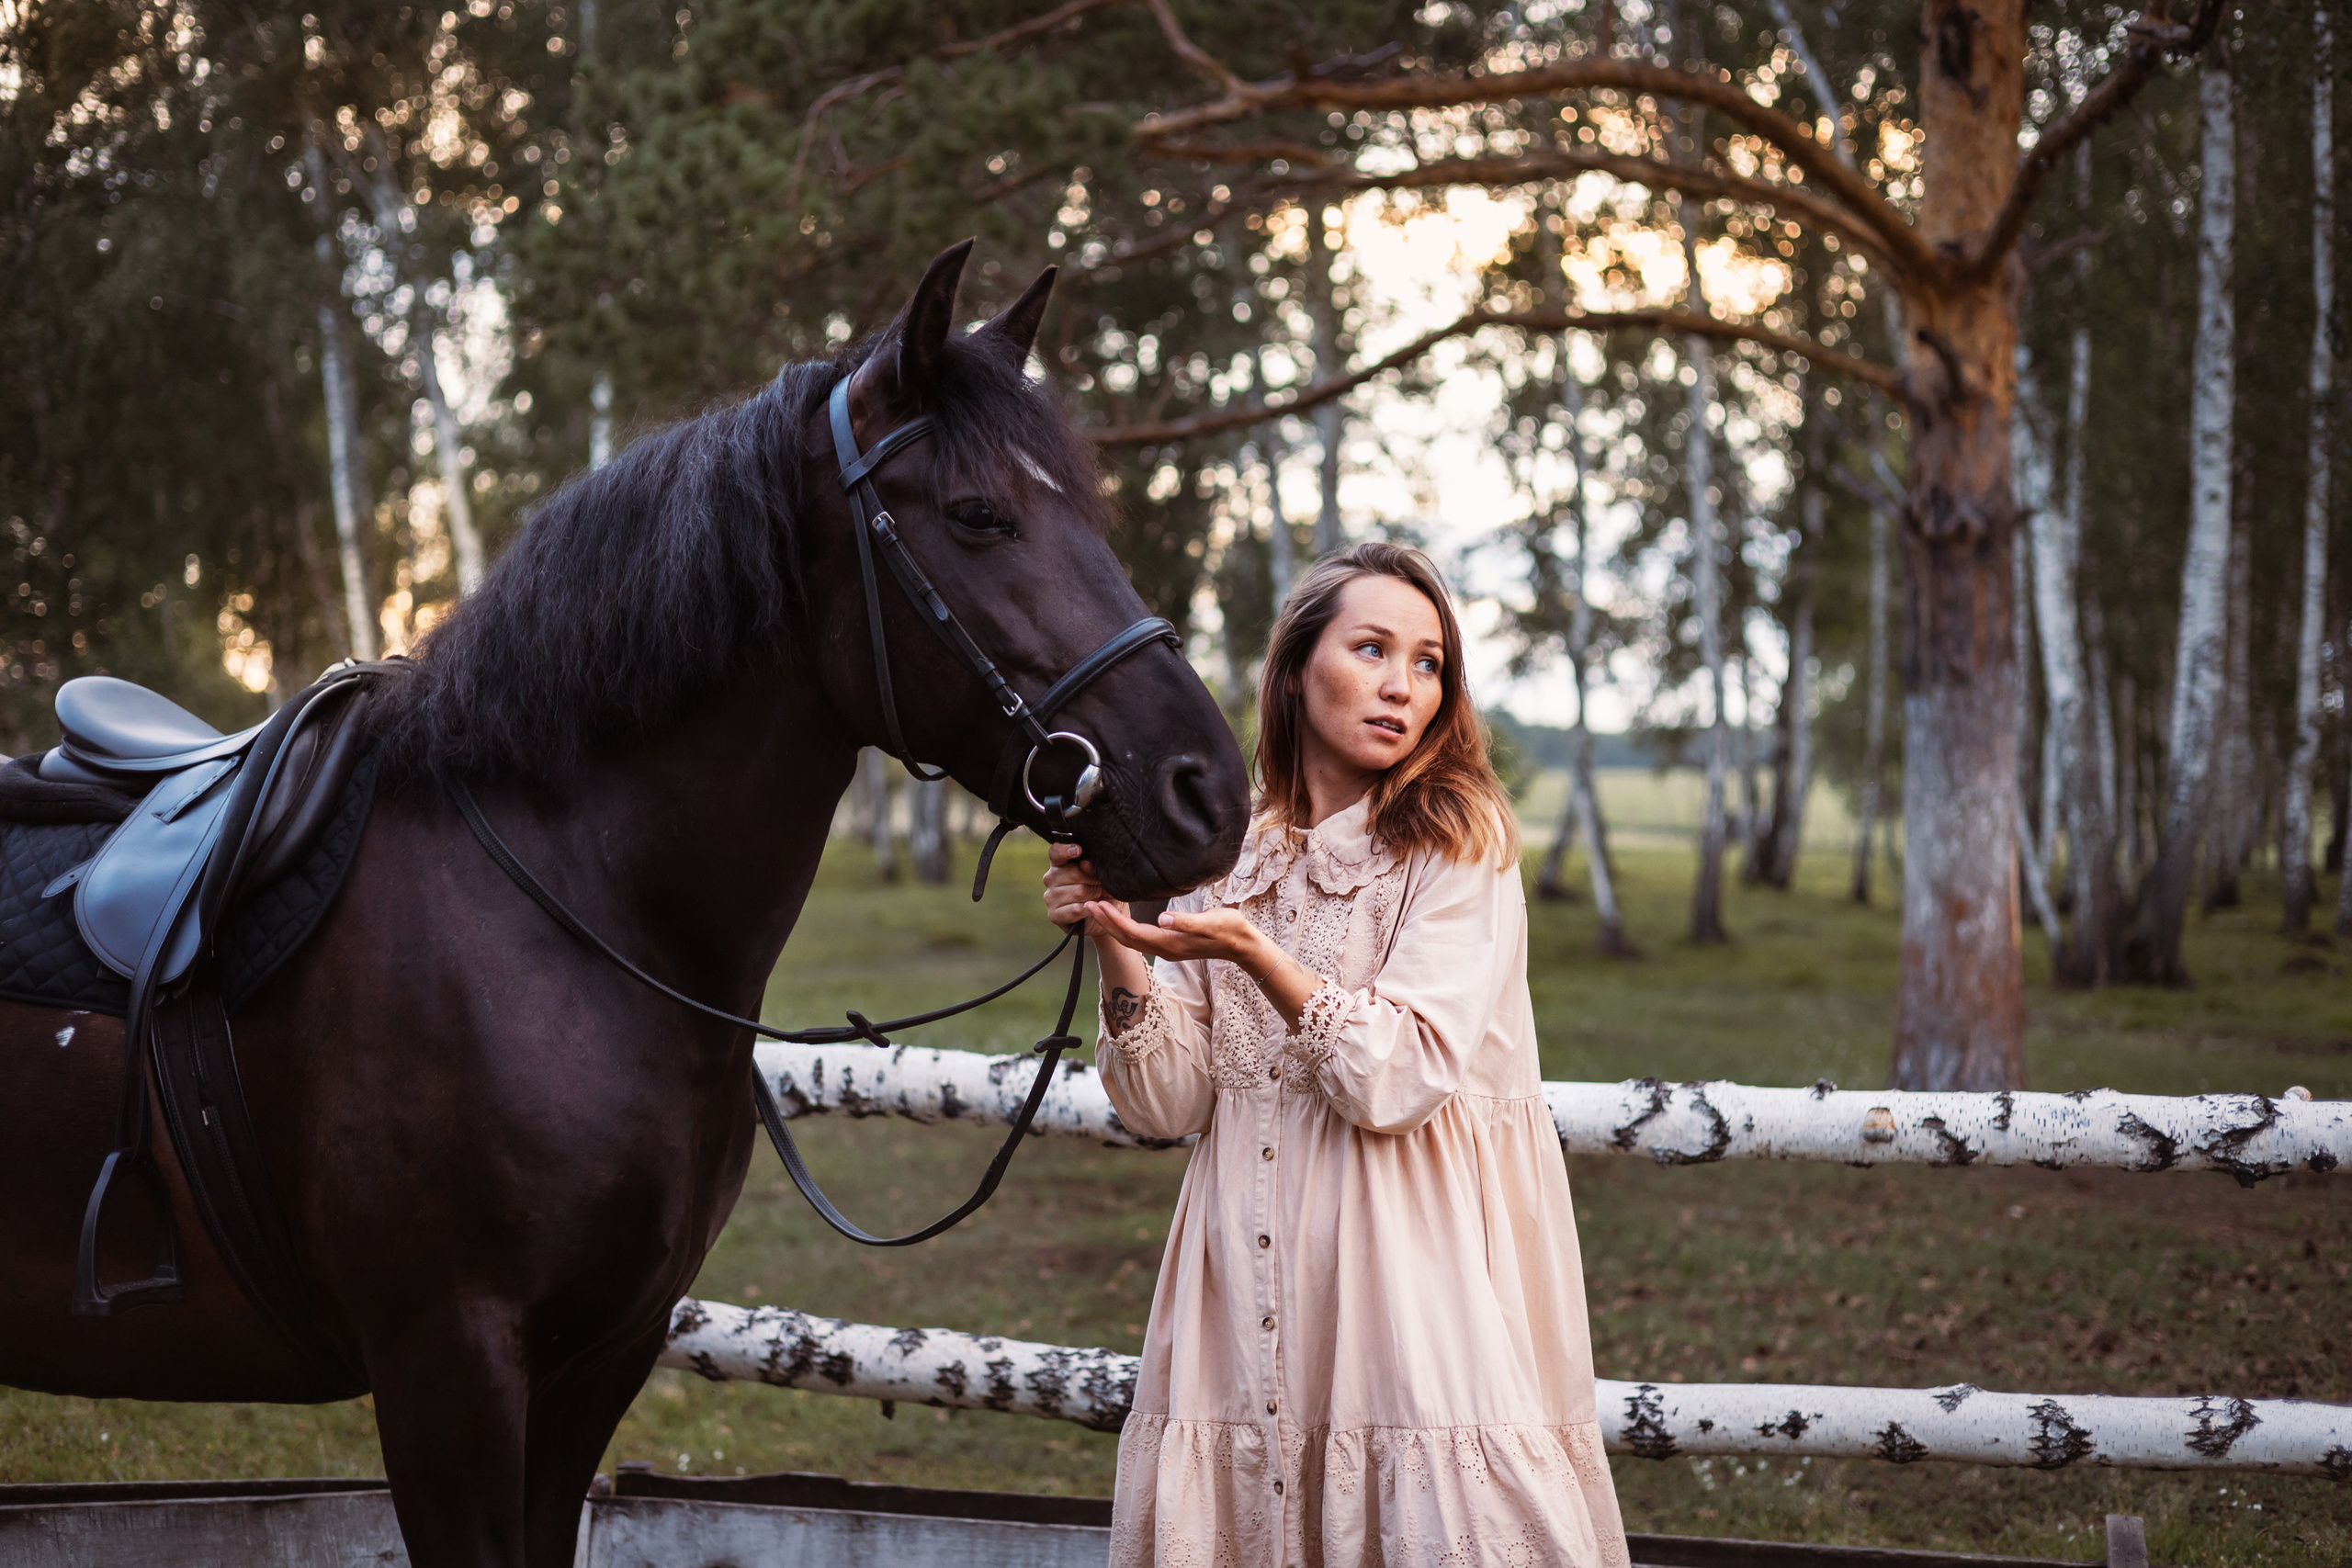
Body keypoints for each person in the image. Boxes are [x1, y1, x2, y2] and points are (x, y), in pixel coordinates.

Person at [1044, 543, 1630, 1567]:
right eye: (1372, 650)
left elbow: (1396, 1077)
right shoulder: (1228, 855)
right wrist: (1115, 933)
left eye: (1428, 663)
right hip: (1241, 1286)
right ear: (1295, 670)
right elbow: (1169, 1102)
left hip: (1408, 1289)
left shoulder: (1457, 846)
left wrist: (1256, 956)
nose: (1402, 685)